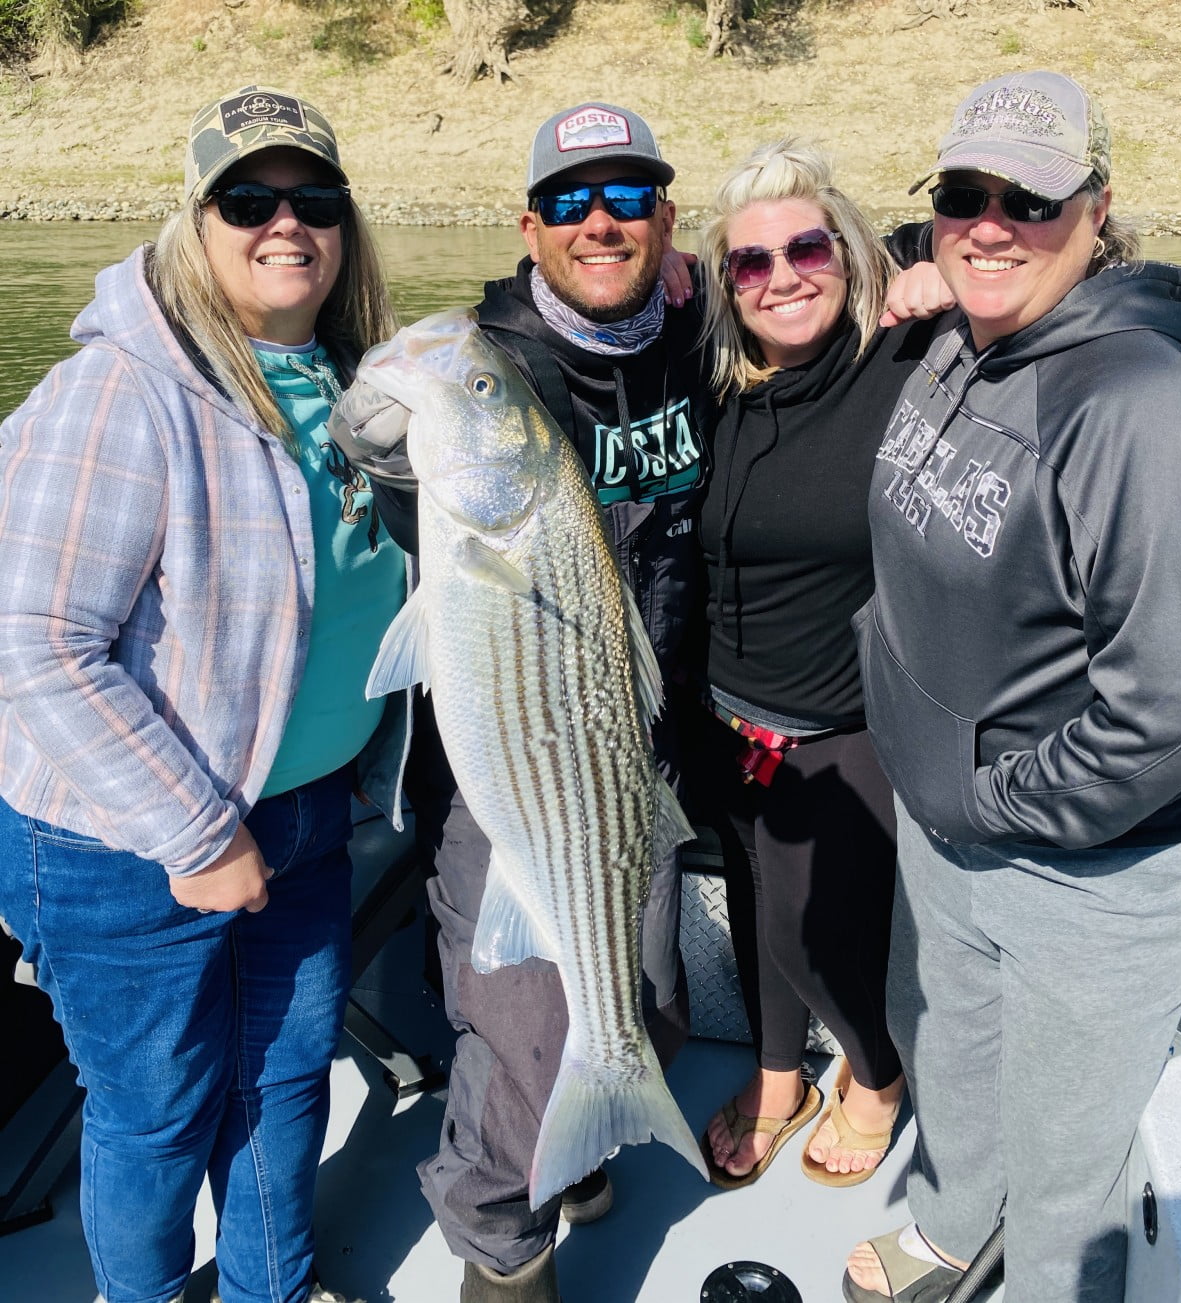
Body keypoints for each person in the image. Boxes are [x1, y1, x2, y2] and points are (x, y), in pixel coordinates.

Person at [0, 85, 404, 1303]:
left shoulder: (345, 388)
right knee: (156, 1110)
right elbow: (34, 645)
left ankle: (268, 1290)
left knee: (287, 1082)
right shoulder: (118, 391)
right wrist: (195, 829)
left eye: (314, 199)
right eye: (249, 199)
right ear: (197, 222)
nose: (286, 225)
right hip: (124, 842)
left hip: (303, 814)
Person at [844, 70, 1181, 1303]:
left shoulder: (1143, 404)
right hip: (953, 828)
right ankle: (951, 1229)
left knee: (1067, 1167)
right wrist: (922, 264)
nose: (992, 223)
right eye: (962, 195)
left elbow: (1171, 717)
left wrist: (996, 799)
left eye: (1032, 200)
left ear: (1097, 211)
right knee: (951, 1051)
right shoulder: (969, 329)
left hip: (1089, 870)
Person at [351, 101, 713, 1302]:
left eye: (625, 198)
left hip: (629, 755)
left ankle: (585, 1148)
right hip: (514, 761)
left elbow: (829, 285)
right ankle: (502, 1249)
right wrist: (396, 457)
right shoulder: (504, 349)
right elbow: (420, 511)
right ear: (530, 223)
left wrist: (914, 271)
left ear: (667, 218)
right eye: (569, 200)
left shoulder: (695, 323)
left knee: (647, 1009)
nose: (597, 222)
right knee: (525, 1041)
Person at [688, 140, 941, 1191]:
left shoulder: (907, 358)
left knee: (810, 928)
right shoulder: (716, 386)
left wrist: (931, 261)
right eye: (751, 261)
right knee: (755, 903)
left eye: (807, 247)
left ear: (849, 252)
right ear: (725, 286)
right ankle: (778, 1071)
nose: (783, 275)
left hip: (844, 722)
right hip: (725, 713)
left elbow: (1055, 265)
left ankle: (877, 1077)